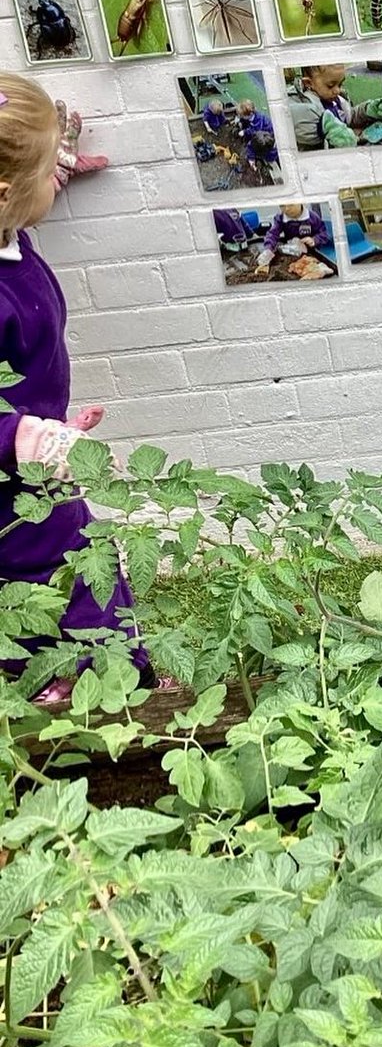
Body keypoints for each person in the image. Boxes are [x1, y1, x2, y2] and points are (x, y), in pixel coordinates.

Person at [0, 73, 156, 700]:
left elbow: (25, 188)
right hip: (12, 485)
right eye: (47, 179)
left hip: (39, 456)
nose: (55, 189)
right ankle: (74, 683)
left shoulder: (9, 233)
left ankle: (118, 663)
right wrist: (32, 439)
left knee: (84, 544)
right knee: (52, 568)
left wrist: (45, 158)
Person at [286, 64, 382, 151]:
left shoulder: (336, 100)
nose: (337, 90)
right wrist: (323, 127)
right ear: (309, 83)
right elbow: (298, 120)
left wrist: (368, 109)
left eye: (340, 84)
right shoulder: (300, 102)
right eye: (331, 85)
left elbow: (349, 116)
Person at [255, 203, 331, 275]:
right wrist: (268, 249)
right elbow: (272, 234)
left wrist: (314, 240)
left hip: (311, 253)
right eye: (282, 206)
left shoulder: (313, 218)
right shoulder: (280, 218)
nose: (287, 209)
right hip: (291, 253)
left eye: (291, 204)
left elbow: (324, 234)